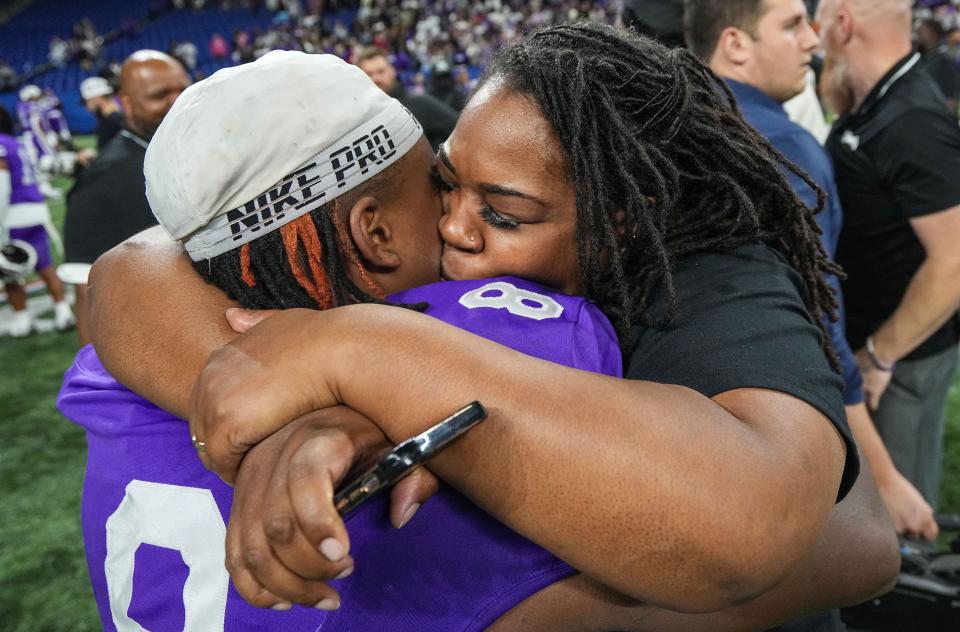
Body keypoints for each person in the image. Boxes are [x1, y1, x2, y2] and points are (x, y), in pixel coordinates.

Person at [90, 24, 899, 630]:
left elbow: (839, 536)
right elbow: (128, 271)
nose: (455, 228)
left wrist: (353, 355)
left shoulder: (705, 270)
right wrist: (302, 406)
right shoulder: (432, 296)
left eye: (501, 211)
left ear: (624, 216)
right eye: (445, 186)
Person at [57, 50, 621, 631]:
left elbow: (130, 268)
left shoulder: (106, 376)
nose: (455, 219)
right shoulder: (496, 329)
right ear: (375, 231)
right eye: (438, 186)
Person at [686, 0, 937, 541]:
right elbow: (817, 324)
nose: (811, 41)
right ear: (735, 44)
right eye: (792, 25)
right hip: (772, 423)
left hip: (681, 421)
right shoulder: (786, 146)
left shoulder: (664, 114)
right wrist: (886, 477)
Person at [818, 0, 960, 509]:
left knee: (895, 506)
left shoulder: (913, 120)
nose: (814, 35)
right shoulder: (878, 97)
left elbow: (955, 261)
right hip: (871, 339)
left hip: (901, 359)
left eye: (820, 19)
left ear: (844, 22)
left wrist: (882, 355)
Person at [63, 49, 190, 344]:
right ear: (127, 104)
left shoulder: (191, 151)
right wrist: (102, 384)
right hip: (166, 346)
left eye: (183, 89)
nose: (178, 102)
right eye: (160, 95)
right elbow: (88, 295)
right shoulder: (103, 180)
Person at [0, 104, 73, 337]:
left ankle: (22, 321)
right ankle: (63, 312)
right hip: (36, 209)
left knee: (10, 271)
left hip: (13, 214)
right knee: (45, 265)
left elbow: (2, 186)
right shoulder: (17, 142)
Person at [355, 47, 459, 150]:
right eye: (368, 74)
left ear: (392, 71)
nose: (375, 78)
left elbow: (462, 130)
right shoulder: (357, 118)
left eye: (381, 71)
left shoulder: (421, 103)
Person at [915, 16, 960, 116]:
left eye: (920, 33)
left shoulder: (944, 60)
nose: (917, 37)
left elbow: (950, 100)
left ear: (933, 34)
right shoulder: (926, 57)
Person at [79, 76, 124, 150]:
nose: (86, 108)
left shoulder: (113, 121)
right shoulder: (117, 117)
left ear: (97, 98)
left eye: (86, 102)